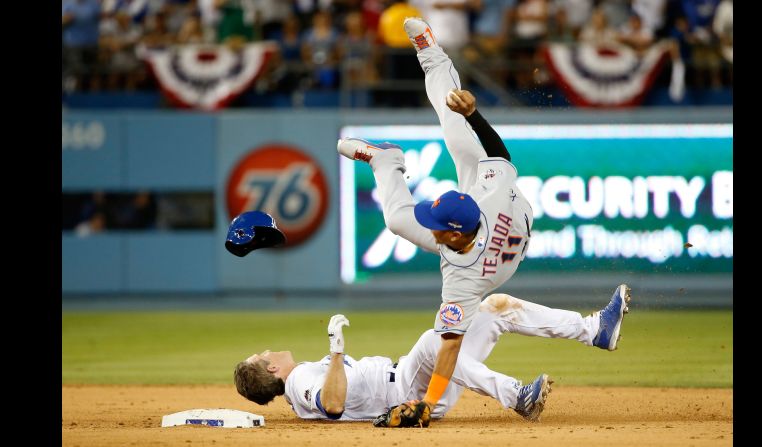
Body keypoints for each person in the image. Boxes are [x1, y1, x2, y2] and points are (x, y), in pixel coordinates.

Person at [335, 16, 631, 427]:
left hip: (484, 262)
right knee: (458, 131)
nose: (431, 223)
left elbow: (450, 350)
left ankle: (387, 160)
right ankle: (430, 53)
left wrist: (428, 404)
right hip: (503, 231)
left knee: (398, 220)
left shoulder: (458, 277)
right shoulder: (491, 192)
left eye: (436, 223)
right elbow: (499, 154)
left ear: (452, 232)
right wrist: (473, 114)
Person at [234, 288, 631, 424]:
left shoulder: (300, 378)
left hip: (412, 384)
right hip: (408, 393)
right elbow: (333, 405)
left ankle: (594, 330)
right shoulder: (299, 379)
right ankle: (518, 397)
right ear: (271, 369)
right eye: (262, 355)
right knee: (431, 341)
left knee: (495, 308)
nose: (269, 350)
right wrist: (336, 348)